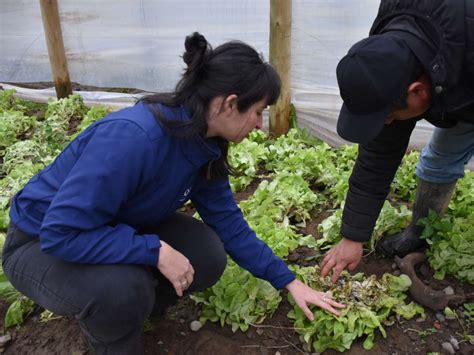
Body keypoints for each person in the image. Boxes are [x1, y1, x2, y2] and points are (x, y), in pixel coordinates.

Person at [2, 32, 344, 354]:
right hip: (38, 244)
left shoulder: (204, 144)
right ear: (229, 103)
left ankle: (134, 312)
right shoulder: (133, 139)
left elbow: (229, 225)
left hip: (109, 226)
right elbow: (61, 233)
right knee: (122, 289)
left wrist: (288, 282)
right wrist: (154, 250)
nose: (259, 124)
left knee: (206, 254)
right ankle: (114, 333)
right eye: (258, 112)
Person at [321, 0, 474, 283]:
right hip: (456, 76)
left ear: (418, 91)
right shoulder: (391, 52)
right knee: (438, 162)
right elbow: (378, 154)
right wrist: (353, 236)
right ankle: (421, 232)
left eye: (389, 115)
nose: (387, 122)